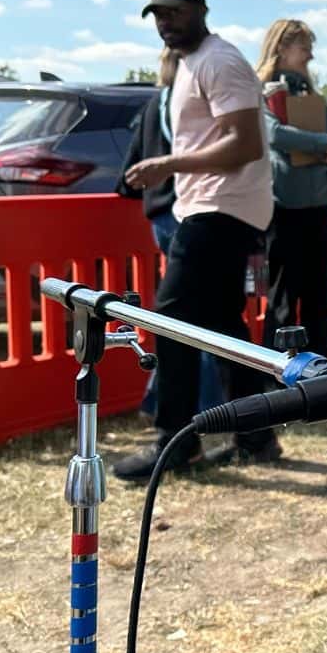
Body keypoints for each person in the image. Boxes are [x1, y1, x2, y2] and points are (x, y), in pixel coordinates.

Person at [113, 0, 279, 480]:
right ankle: (256, 435)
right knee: (226, 329)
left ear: (200, 9)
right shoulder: (190, 64)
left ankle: (177, 443)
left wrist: (168, 164)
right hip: (213, 208)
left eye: (174, 12)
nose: (165, 22)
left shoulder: (219, 61)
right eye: (157, 15)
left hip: (220, 209)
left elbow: (246, 144)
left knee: (171, 317)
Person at [115, 47, 224, 418]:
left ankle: (159, 400)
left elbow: (128, 172)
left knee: (180, 315)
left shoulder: (151, 106)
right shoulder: (191, 107)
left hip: (159, 217)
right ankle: (206, 407)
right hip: (191, 215)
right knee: (200, 319)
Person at [255, 18, 327, 360]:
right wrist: (320, 142)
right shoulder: (262, 92)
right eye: (304, 46)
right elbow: (274, 134)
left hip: (319, 208)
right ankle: (276, 377)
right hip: (283, 209)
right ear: (281, 47)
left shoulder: (312, 95)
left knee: (318, 296)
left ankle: (319, 374)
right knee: (282, 300)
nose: (310, 54)